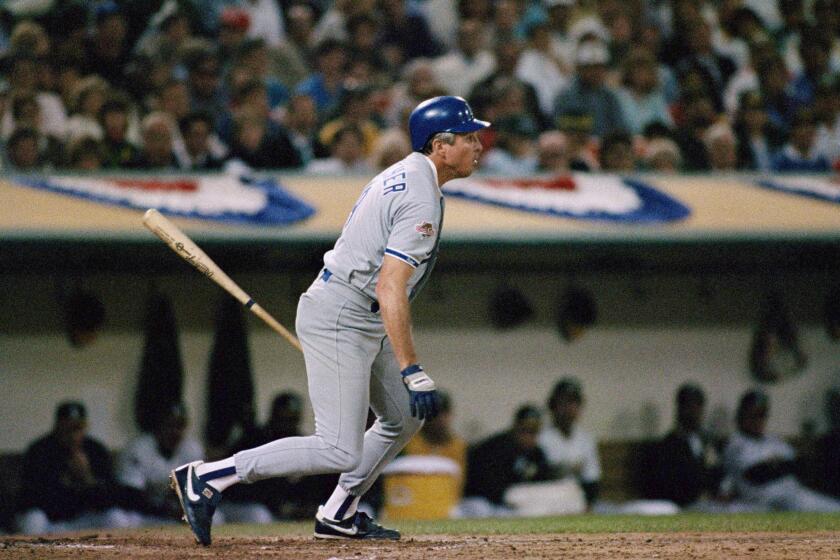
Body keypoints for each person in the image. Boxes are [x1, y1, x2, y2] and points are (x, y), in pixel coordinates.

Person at [170, 95, 490, 545]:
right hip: (343, 313)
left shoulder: (412, 175)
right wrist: (411, 367)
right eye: (469, 137)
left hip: (359, 314)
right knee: (338, 446)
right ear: (440, 144)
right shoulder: (418, 192)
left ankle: (339, 512)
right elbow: (390, 286)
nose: (479, 145)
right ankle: (208, 476)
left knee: (402, 416)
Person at [15, 402, 145, 534]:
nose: (73, 435)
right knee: (33, 521)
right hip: (50, 520)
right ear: (57, 426)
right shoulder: (40, 450)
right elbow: (32, 497)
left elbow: (111, 496)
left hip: (81, 519)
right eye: (68, 428)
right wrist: (66, 481)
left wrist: (87, 478)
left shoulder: (95, 449)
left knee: (116, 518)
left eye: (78, 428)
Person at [721, 390, 840, 512]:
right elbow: (756, 474)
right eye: (754, 414)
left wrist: (783, 464)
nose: (759, 420)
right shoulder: (736, 444)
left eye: (762, 414)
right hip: (765, 503)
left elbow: (798, 462)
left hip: (794, 496)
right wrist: (783, 465)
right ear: (742, 414)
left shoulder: (772, 440)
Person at [116, 403, 204, 525]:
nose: (175, 432)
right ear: (158, 427)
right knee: (119, 519)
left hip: (174, 513)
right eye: (170, 425)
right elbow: (131, 496)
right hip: (144, 513)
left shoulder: (191, 449)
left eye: (180, 426)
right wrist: (167, 509)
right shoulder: (138, 449)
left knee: (214, 517)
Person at [463, 404, 553, 509]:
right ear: (516, 427)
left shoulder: (537, 454)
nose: (529, 437)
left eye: (534, 432)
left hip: (515, 506)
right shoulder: (496, 448)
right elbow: (484, 484)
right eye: (525, 430)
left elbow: (543, 482)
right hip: (482, 501)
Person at [650, 383, 721, 508]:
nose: (694, 412)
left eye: (698, 406)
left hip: (711, 502)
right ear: (680, 408)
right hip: (683, 505)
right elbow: (667, 485)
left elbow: (717, 471)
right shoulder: (668, 445)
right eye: (689, 406)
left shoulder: (707, 440)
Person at [538, 377, 601, 509]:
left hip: (579, 501)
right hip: (547, 501)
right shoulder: (541, 438)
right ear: (553, 405)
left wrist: (588, 506)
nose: (570, 408)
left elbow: (592, 479)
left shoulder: (585, 439)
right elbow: (539, 477)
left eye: (574, 402)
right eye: (564, 402)